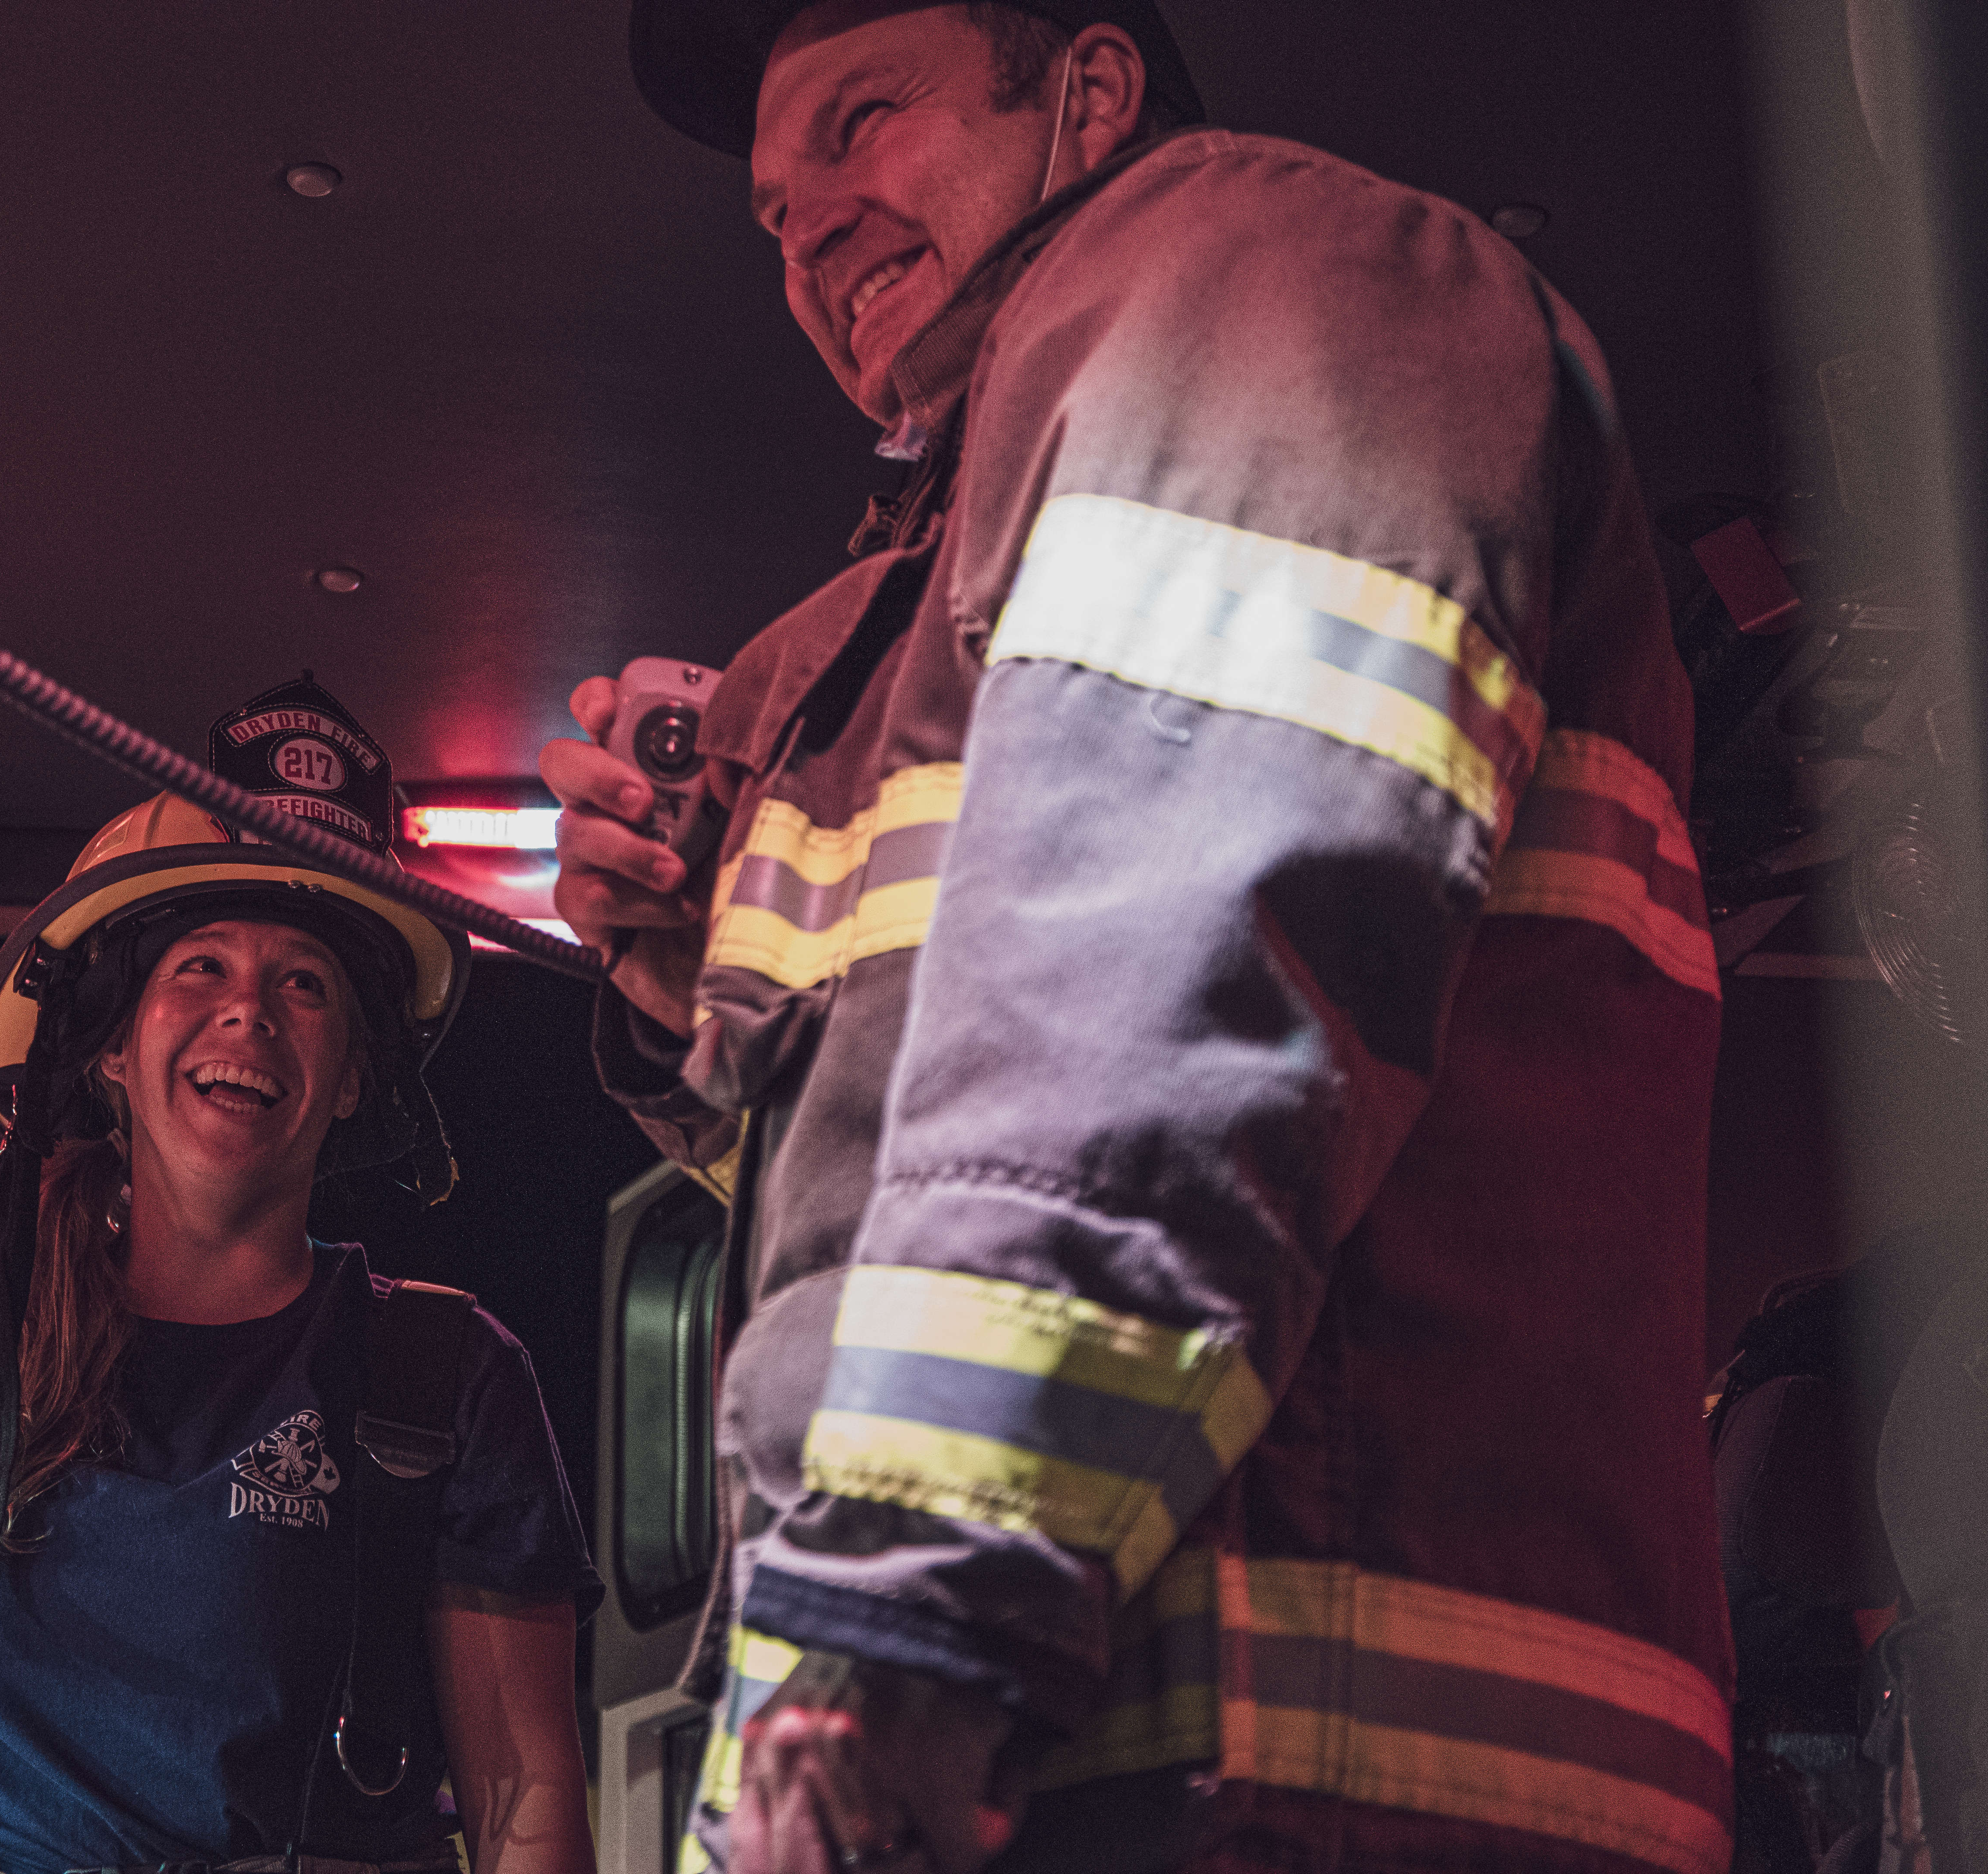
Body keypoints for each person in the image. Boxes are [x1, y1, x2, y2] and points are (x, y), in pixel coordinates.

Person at [543, 4, 1734, 1871]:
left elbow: (1135, 1076)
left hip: (1275, 1786)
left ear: (1088, 93)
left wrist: (840, 1737)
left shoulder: (1263, 281)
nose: (811, 229)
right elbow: (898, 1176)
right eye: (773, 211)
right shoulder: (945, 566)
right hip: (1166, 1762)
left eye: (868, 124)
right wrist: (670, 959)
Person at [0, 677, 602, 1874]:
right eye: (200, 967)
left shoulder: (447, 1379)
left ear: (353, 1079)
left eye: (305, 985)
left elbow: (526, 1802)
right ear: (108, 1045)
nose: (250, 1011)